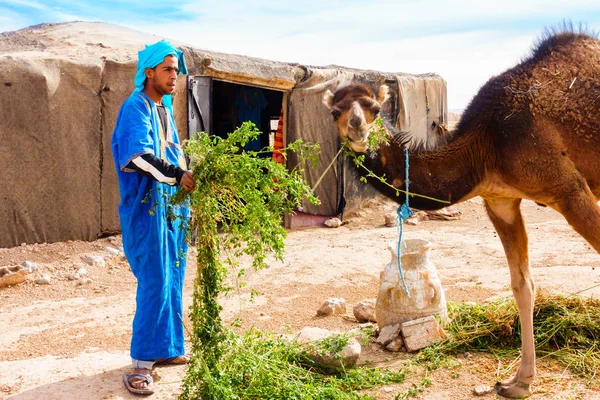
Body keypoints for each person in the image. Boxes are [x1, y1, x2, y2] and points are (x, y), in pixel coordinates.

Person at [111, 41, 195, 395]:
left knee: (173, 276)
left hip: (171, 210)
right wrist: (178, 176)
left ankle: (167, 348)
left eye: (176, 70)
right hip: (146, 212)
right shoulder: (136, 107)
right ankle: (142, 364)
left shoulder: (163, 109)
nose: (174, 76)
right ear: (149, 73)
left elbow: (173, 154)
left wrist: (188, 175)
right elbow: (137, 156)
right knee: (154, 280)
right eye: (167, 70)